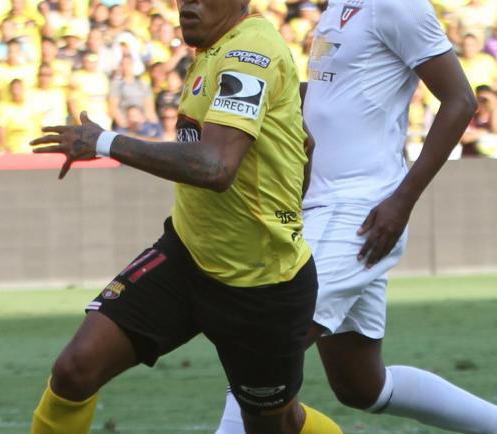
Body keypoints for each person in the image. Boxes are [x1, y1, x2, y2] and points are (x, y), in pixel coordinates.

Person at [29, 0, 341, 433]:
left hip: (260, 285)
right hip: (186, 257)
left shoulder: (249, 52)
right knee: (76, 369)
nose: (187, 3)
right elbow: (302, 143)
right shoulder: (211, 48)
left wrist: (104, 142)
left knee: (277, 424)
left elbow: (215, 167)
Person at [216, 0, 497, 433]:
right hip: (326, 207)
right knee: (360, 383)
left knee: (265, 346)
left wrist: (402, 200)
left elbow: (460, 100)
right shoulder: (336, 7)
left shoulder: (396, 5)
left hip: (357, 212)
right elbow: (333, 96)